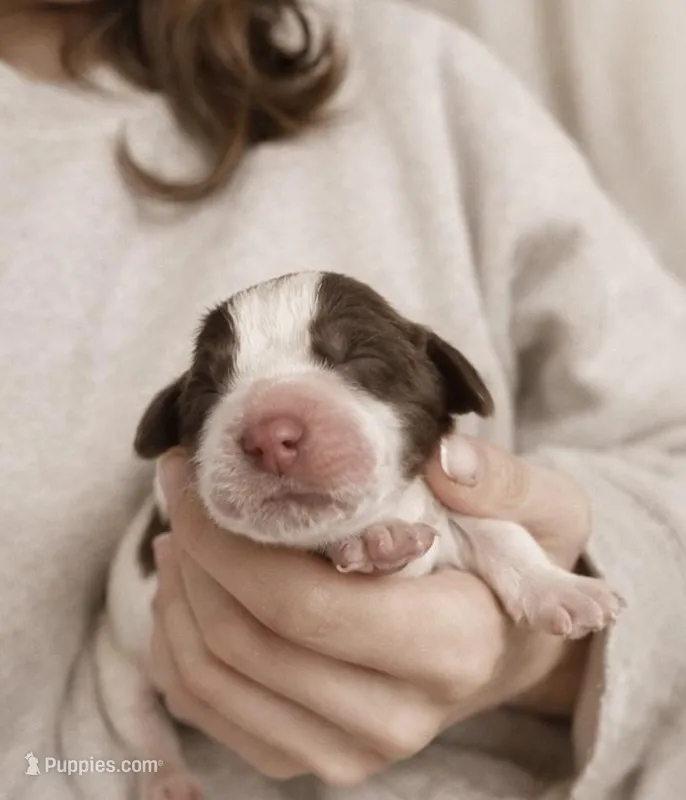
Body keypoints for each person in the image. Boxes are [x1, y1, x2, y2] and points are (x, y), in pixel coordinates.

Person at [1, 1, 685, 799]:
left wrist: (545, 657)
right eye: (215, 390)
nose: (269, 433)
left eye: (354, 360)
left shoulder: (420, 82)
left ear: (444, 387)